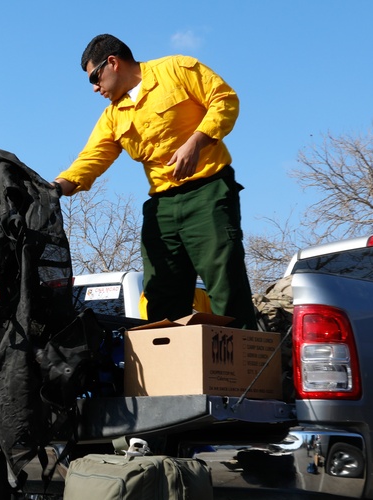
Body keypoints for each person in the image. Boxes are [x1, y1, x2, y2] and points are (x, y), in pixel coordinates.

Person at [54, 34, 258, 329]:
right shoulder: (113, 115)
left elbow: (224, 100)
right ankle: (170, 368)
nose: (95, 88)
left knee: (226, 287)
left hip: (208, 192)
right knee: (161, 297)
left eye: (94, 78)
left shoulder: (177, 68)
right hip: (162, 206)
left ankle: (241, 370)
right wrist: (55, 188)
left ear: (112, 63)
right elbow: (92, 158)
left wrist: (196, 142)